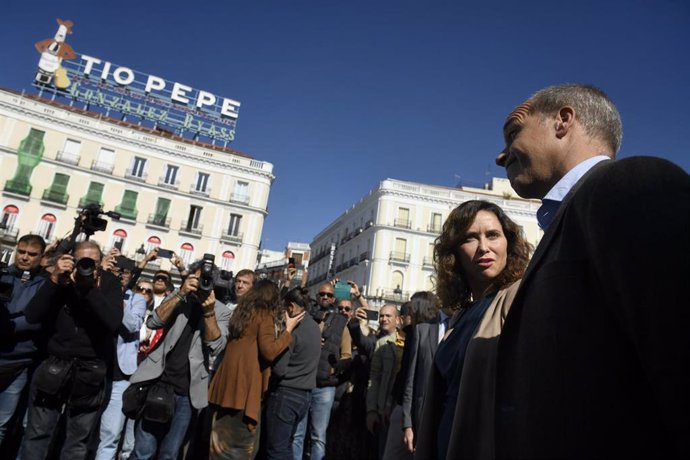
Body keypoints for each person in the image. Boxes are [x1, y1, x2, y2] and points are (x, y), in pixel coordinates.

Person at [492, 83, 690, 458]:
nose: (501, 156)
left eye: (514, 131)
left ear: (563, 121)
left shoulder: (633, 184)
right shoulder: (570, 220)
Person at [414, 200, 531, 460]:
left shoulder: (521, 298)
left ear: (508, 244)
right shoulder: (459, 317)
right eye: (470, 238)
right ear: (454, 253)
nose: (484, 248)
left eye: (493, 235)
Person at [21, 240, 124, 459]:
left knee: (77, 442)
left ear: (101, 262)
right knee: (37, 434)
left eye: (94, 263)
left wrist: (89, 290)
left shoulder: (110, 283)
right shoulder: (62, 281)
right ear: (71, 261)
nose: (89, 267)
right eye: (82, 262)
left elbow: (113, 321)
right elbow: (32, 315)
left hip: (90, 370)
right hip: (54, 365)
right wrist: (54, 280)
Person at [129, 259, 230, 460]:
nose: (202, 282)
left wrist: (208, 312)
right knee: (143, 452)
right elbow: (154, 321)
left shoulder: (221, 310)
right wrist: (181, 293)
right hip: (158, 382)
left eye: (206, 279)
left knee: (169, 454)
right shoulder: (179, 296)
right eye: (198, 278)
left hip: (188, 393)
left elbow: (216, 346)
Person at [208, 279, 304, 459]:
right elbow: (269, 351)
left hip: (225, 386)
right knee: (239, 448)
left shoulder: (241, 312)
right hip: (244, 390)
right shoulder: (264, 315)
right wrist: (288, 331)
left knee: (218, 448)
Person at [293, 282, 352, 460]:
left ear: (333, 299)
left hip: (325, 388)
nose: (325, 297)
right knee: (297, 434)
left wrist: (334, 370)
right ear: (317, 296)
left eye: (329, 295)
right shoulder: (305, 319)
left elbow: (347, 354)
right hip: (303, 383)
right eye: (322, 294)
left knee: (318, 437)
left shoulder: (342, 323)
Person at [95, 276, 150, 460]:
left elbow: (133, 325)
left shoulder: (137, 300)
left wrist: (118, 302)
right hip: (93, 368)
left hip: (120, 375)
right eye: (118, 273)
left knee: (110, 434)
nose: (122, 277)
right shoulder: (96, 292)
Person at [0, 235, 47, 450]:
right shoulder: (3, 275)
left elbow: (34, 319)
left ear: (41, 257)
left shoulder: (45, 284)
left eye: (31, 254)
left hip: (18, 364)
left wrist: (7, 326)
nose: (25, 258)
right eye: (21, 252)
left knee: (1, 423)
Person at [263, 287, 321, 459]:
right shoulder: (314, 327)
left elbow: (280, 369)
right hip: (304, 396)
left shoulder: (295, 330)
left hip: (285, 394)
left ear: (292, 307)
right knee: (286, 446)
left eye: (284, 307)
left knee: (276, 449)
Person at [364, 304, 402, 459]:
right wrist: (372, 410)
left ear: (398, 319)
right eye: (381, 316)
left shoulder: (410, 340)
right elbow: (374, 379)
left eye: (388, 316)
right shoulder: (381, 343)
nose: (384, 319)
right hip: (383, 412)